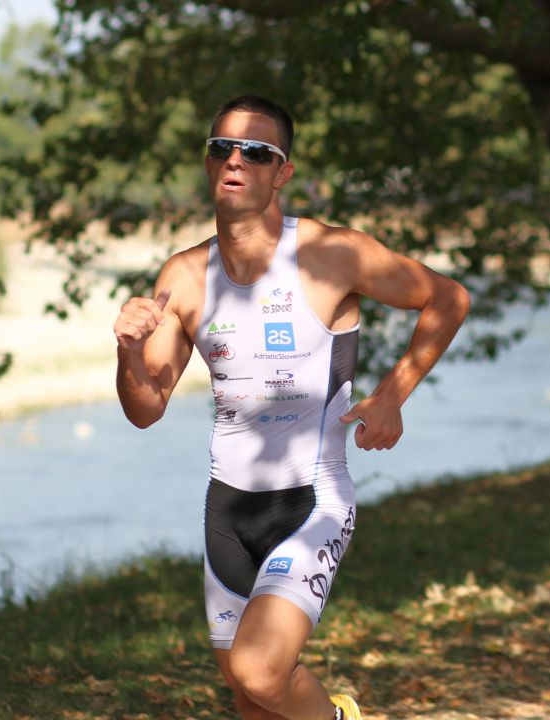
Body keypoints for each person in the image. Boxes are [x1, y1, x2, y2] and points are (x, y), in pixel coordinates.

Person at [113, 95, 471, 720]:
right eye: (221, 147)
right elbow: (146, 408)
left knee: (261, 668)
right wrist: (127, 352)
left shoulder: (332, 255)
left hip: (310, 501)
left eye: (257, 151)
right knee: (250, 695)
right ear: (208, 162)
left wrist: (392, 393)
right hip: (226, 507)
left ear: (282, 173)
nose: (235, 159)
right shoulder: (186, 276)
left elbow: (448, 298)